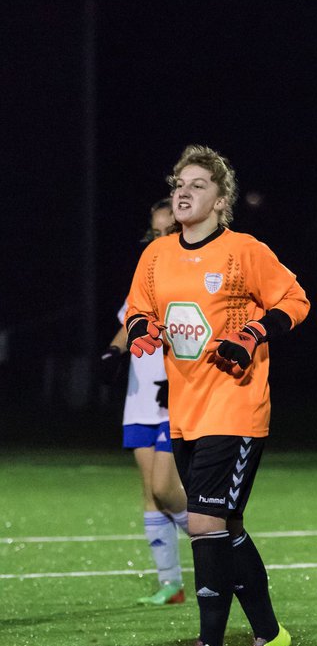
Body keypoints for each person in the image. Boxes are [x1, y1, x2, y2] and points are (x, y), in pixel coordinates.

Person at [126, 144, 310, 646]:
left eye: (198, 184)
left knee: (205, 521)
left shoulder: (243, 250)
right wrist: (141, 330)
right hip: (185, 411)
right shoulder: (156, 255)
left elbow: (294, 300)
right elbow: (139, 307)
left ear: (222, 200)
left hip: (237, 406)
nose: (184, 191)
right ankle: (269, 633)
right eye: (179, 183)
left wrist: (253, 333)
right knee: (224, 527)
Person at [102, 198, 189, 605]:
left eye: (167, 230)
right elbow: (128, 322)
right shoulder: (147, 275)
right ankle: (170, 583)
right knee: (150, 492)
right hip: (141, 399)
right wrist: (114, 353)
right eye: (155, 232)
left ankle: (222, 542)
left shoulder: (189, 277)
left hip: (177, 397)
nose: (161, 238)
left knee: (168, 490)